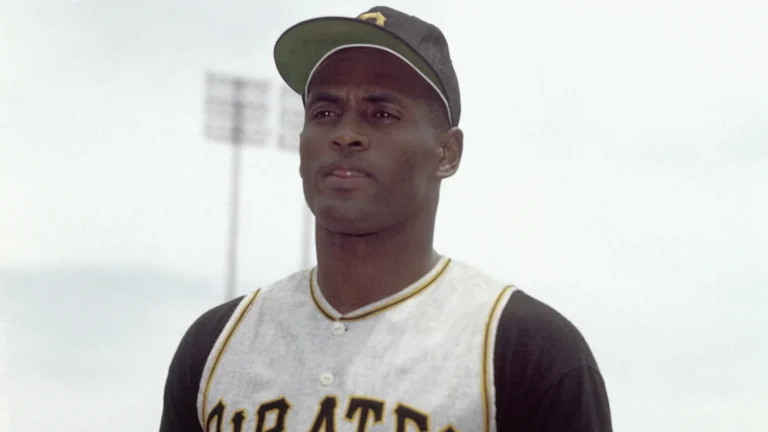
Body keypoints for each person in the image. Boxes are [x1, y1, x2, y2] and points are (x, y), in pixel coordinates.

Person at [160, 6, 612, 432]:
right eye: (324, 112)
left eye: (381, 113)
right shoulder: (217, 345)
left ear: (447, 153)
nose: (345, 134)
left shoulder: (525, 351)